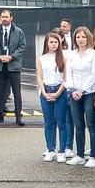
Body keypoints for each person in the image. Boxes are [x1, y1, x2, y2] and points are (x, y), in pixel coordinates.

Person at [64, 26, 95, 165]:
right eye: (78, 37)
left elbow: (94, 74)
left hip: (89, 92)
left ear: (88, 38)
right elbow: (69, 74)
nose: (81, 39)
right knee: (78, 124)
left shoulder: (93, 54)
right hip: (74, 93)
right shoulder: (72, 55)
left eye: (83, 37)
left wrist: (82, 90)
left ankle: (93, 156)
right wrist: (73, 90)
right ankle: (79, 154)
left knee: (92, 124)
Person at [0, 9, 27, 125]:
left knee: (16, 92)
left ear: (11, 18)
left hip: (13, 66)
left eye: (6, 17)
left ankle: (19, 116)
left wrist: (11, 57)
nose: (4, 19)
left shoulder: (18, 32)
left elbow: (22, 47)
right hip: (0, 66)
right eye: (2, 17)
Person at [37, 31, 69, 161]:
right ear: (46, 43)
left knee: (62, 122)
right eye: (51, 42)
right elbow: (39, 76)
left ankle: (62, 151)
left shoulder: (64, 58)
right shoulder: (42, 59)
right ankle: (50, 149)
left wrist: (58, 93)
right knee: (49, 122)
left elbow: (66, 78)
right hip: (46, 90)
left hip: (60, 90)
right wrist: (44, 92)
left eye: (56, 42)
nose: (54, 44)